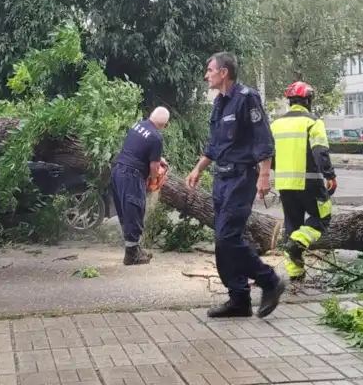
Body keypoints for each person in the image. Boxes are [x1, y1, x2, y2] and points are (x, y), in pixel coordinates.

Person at [186, 52, 285, 319]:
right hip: (221, 178)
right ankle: (239, 299)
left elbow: (263, 138)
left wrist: (264, 175)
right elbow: (215, 146)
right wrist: (197, 169)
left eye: (209, 70)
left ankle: (270, 281)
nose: (206, 75)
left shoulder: (247, 97)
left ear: (223, 72)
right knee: (222, 242)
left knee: (227, 237)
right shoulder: (219, 103)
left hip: (242, 178)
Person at [270, 81, 337, 282]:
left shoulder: (275, 124)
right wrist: (330, 175)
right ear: (307, 100)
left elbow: (269, 157)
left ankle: (296, 274)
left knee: (292, 224)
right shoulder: (313, 122)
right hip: (310, 183)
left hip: (284, 185)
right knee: (322, 217)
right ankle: (298, 242)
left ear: (290, 102)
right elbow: (320, 152)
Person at [110, 106, 171, 265]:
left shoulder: (138, 126)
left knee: (126, 212)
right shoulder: (156, 137)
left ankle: (134, 248)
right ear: (165, 124)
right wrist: (152, 180)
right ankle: (131, 255)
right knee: (135, 211)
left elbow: (139, 149)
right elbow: (153, 167)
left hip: (118, 171)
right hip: (132, 176)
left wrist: (158, 159)